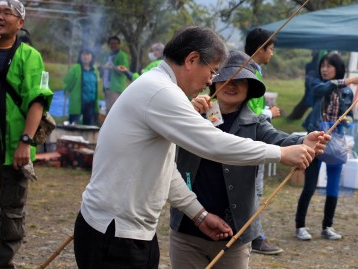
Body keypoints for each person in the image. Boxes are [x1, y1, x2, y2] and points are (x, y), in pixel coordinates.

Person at [73, 25, 318, 268]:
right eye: (212, 71)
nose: (212, 81)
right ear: (191, 60)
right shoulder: (160, 91)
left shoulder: (162, 89)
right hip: (114, 231)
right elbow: (212, 143)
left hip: (134, 232)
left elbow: (166, 169)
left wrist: (198, 215)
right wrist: (281, 154)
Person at [169, 50, 328, 268]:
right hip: (187, 230)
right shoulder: (190, 115)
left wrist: (303, 141)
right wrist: (187, 109)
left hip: (235, 236)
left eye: (241, 81)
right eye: (226, 78)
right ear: (214, 82)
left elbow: (279, 140)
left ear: (250, 89)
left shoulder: (256, 124)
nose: (232, 85)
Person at [0, 0, 53, 268]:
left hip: (13, 147)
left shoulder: (29, 56)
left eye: (7, 13)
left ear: (20, 23)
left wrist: (25, 141)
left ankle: (4, 263)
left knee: (11, 212)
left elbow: (37, 100)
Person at [294, 52, 358, 241]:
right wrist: (347, 80)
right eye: (323, 66)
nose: (324, 69)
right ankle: (300, 226)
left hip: (335, 144)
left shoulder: (347, 92)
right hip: (316, 140)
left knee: (333, 188)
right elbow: (320, 91)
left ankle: (327, 226)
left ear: (338, 68)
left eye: (329, 66)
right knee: (310, 186)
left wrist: (347, 119)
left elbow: (349, 113)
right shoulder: (317, 83)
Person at [244, 28, 282, 254]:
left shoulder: (253, 71)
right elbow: (248, 111)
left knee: (251, 189)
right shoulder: (248, 72)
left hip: (253, 136)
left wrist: (266, 111)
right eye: (271, 49)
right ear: (261, 49)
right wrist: (269, 114)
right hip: (250, 139)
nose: (273, 54)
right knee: (252, 190)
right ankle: (255, 237)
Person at [64, 48, 100, 125]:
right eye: (83, 54)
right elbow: (67, 82)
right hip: (78, 101)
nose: (85, 56)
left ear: (91, 57)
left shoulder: (94, 69)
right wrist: (66, 89)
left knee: (88, 125)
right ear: (80, 56)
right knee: (74, 124)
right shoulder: (76, 68)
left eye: (88, 54)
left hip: (90, 103)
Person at [99, 35, 129, 114]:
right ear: (109, 45)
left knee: (113, 111)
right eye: (111, 43)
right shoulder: (107, 56)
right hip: (107, 87)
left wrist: (112, 67)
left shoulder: (122, 56)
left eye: (115, 43)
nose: (113, 45)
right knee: (108, 109)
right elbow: (102, 68)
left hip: (116, 88)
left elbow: (124, 70)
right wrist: (101, 68)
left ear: (119, 44)